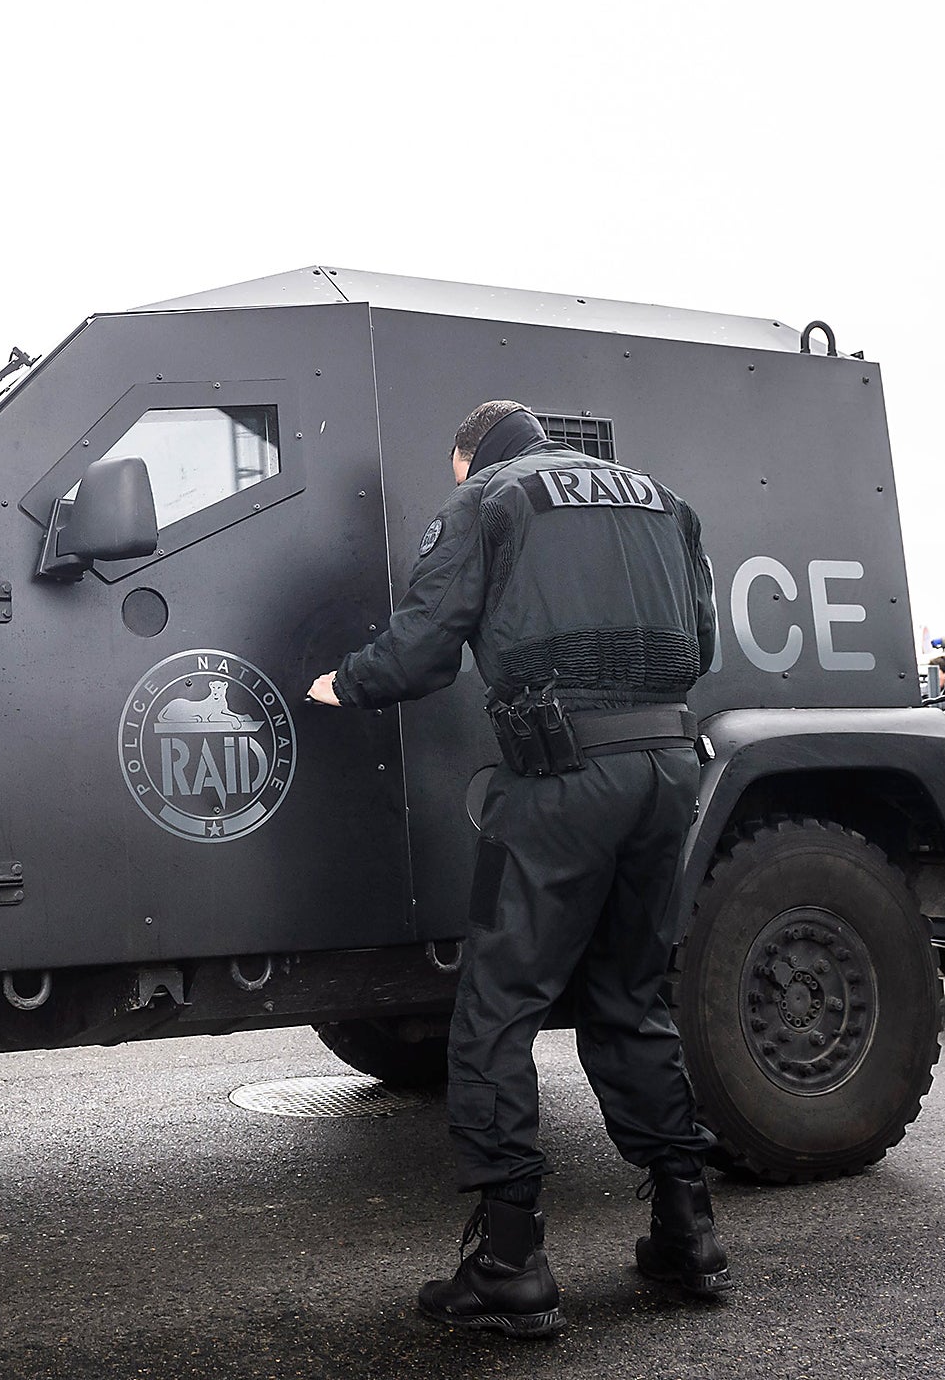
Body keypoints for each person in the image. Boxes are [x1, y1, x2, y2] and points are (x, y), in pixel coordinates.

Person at [307, 400, 727, 1338]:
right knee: (630, 999)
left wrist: (350, 681)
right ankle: (688, 1228)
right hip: (668, 771)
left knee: (497, 1011)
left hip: (560, 778)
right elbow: (701, 647)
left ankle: (509, 1264)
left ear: (472, 451)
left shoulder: (490, 496)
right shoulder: (662, 499)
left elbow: (423, 646)